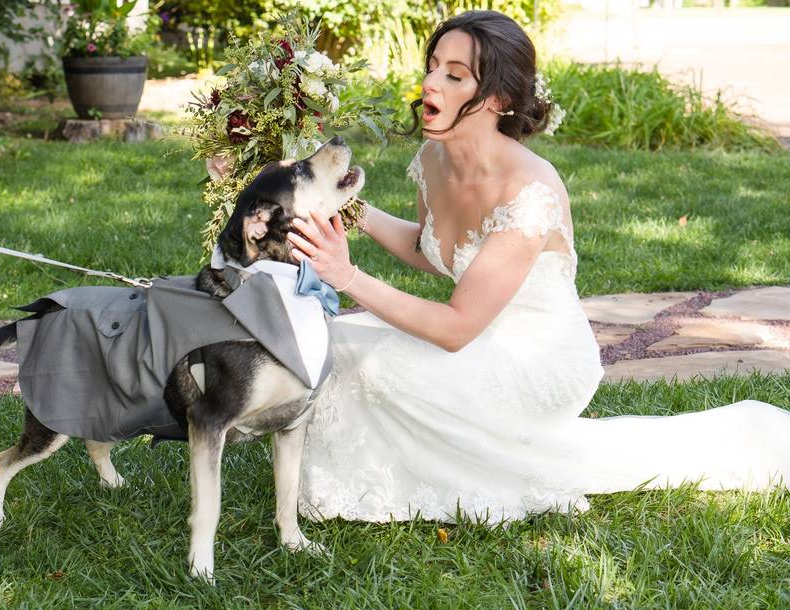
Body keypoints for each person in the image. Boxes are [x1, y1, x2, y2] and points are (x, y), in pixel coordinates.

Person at [285, 10, 790, 524]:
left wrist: (345, 275)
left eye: (455, 75)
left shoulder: (531, 190)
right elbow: (430, 249)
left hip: (539, 361)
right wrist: (351, 210)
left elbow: (457, 328)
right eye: (434, 66)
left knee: (373, 362)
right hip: (481, 337)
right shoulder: (433, 160)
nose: (430, 82)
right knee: (340, 344)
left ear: (498, 100)